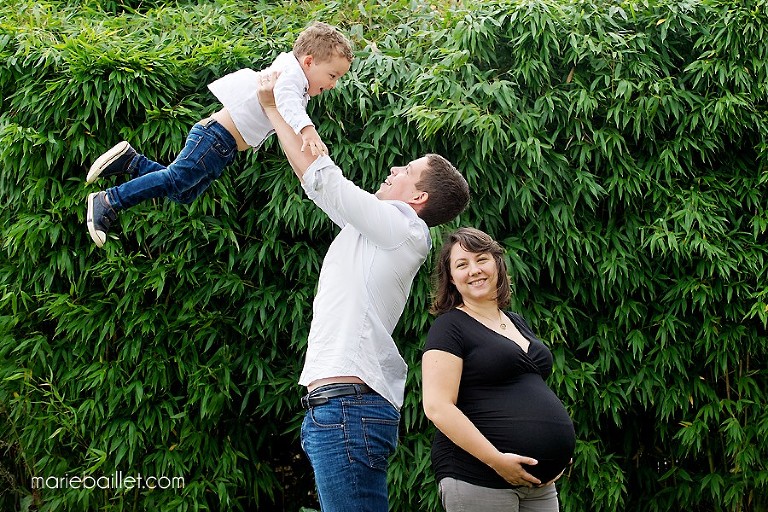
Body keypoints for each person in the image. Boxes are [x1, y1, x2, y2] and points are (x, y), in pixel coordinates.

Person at [255, 71, 470, 511]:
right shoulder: (381, 228)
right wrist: (276, 111)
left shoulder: (402, 226)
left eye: (406, 171)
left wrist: (277, 110)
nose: (394, 169)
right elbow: (317, 184)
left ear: (419, 198)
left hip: (347, 409)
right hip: (337, 408)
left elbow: (327, 181)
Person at [85, 21, 353, 248]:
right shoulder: (291, 77)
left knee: (182, 192)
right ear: (308, 61)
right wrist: (308, 130)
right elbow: (286, 101)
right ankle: (109, 200)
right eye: (332, 75)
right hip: (216, 138)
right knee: (176, 179)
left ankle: (132, 162)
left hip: (221, 145)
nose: (333, 84)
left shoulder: (296, 78)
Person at [422, 227, 575, 512]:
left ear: (497, 264)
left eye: (481, 259)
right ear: (452, 279)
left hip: (539, 485)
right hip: (479, 478)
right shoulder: (449, 328)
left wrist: (556, 452)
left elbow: (528, 390)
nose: (474, 270)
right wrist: (496, 460)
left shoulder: (516, 321)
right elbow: (437, 407)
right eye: (462, 265)